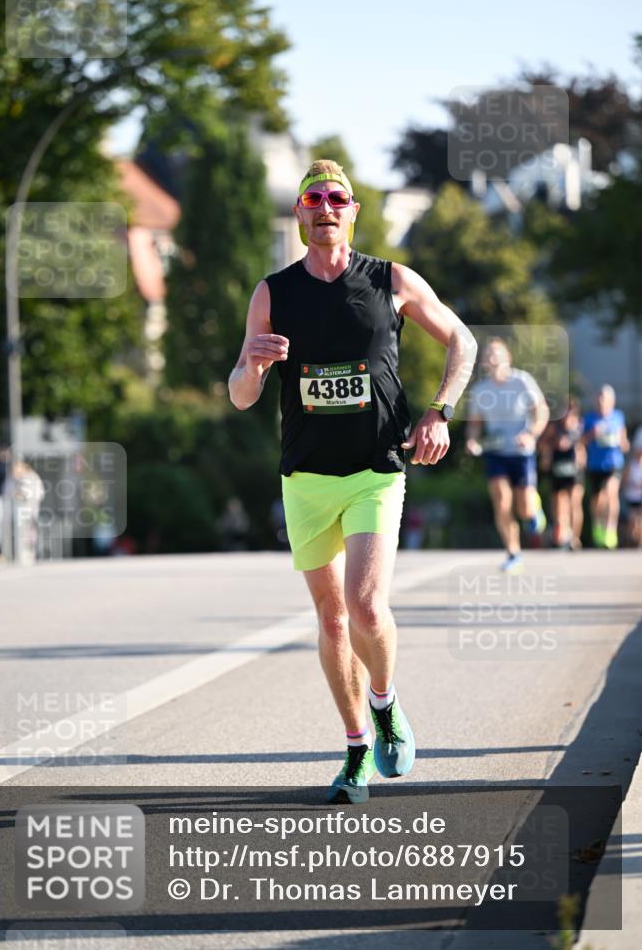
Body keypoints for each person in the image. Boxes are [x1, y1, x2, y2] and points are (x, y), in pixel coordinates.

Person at [229, 159, 476, 804]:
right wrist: (251, 367)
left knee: (366, 605)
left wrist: (439, 411)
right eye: (314, 199)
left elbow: (462, 341)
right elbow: (239, 395)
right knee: (333, 622)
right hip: (305, 476)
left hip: (375, 469)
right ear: (300, 213)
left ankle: (387, 702)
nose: (326, 208)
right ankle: (356, 746)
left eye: (337, 198)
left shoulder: (389, 279)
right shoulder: (272, 292)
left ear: (353, 212)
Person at [465, 337, 550, 572]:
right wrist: (472, 440)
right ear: (483, 361)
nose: (492, 357)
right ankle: (513, 553)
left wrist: (531, 434)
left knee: (524, 507)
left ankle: (534, 509)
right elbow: (474, 424)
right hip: (495, 452)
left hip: (521, 451)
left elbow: (541, 411)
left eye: (496, 353)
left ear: (507, 357)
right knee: (502, 501)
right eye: (488, 354)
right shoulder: (480, 390)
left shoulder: (522, 381)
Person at [581, 385, 629, 549]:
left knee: (611, 493)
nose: (601, 401)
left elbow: (624, 442)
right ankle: (598, 526)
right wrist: (592, 434)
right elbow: (581, 442)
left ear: (612, 401)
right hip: (595, 465)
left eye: (605, 398)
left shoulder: (618, 417)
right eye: (599, 397)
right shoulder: (589, 418)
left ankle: (610, 530)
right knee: (597, 501)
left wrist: (622, 443)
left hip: (614, 463)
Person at [538, 397, 585, 549]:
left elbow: (584, 445)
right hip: (557, 469)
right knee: (559, 504)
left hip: (574, 471)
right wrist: (551, 450)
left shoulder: (579, 426)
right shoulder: (554, 428)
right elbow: (542, 444)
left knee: (575, 503)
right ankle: (562, 534)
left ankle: (575, 539)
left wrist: (580, 453)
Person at [622, 427, 642, 548]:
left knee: (639, 519)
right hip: (631, 496)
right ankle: (633, 540)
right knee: (632, 521)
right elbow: (624, 481)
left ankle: (639, 542)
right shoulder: (631, 466)